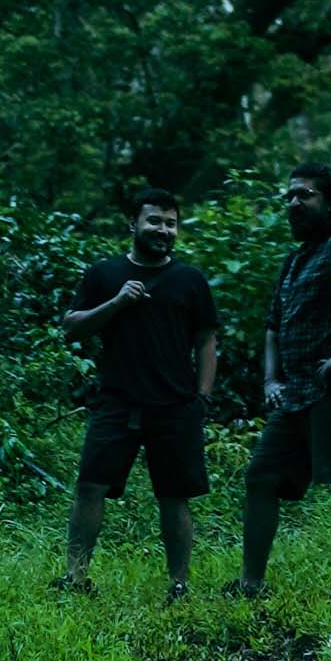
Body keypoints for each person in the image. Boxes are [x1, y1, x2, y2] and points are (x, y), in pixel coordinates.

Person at [61, 190, 221, 596]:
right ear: (132, 224)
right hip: (116, 401)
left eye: (170, 223)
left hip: (174, 404)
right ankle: (75, 578)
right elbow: (73, 325)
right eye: (154, 221)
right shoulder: (104, 274)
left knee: (174, 495)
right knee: (91, 487)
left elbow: (206, 340)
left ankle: (179, 584)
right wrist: (116, 302)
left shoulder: (190, 279)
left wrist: (202, 396)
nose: (163, 230)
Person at [238, 158, 331, 601]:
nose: (295, 203)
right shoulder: (297, 258)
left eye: (306, 194)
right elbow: (272, 324)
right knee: (262, 478)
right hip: (297, 391)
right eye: (290, 196)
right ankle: (250, 584)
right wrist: (270, 380)